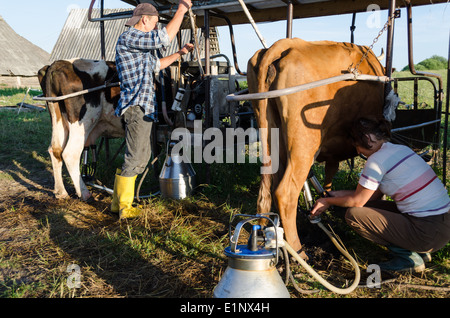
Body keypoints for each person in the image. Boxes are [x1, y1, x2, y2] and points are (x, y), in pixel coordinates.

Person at [310, 116, 450, 272]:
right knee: (370, 207)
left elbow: (357, 202)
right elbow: (369, 195)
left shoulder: (376, 161)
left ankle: (408, 257)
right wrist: (334, 195)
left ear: (368, 138)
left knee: (354, 214)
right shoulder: (400, 149)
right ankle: (419, 251)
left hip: (426, 232)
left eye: (357, 146)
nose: (358, 151)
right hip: (442, 225)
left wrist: (328, 202)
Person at [112, 1, 194, 219]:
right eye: (156, 22)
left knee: (142, 155)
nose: (157, 27)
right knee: (135, 156)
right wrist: (182, 9)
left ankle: (117, 202)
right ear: (145, 19)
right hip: (137, 106)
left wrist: (180, 53)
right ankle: (124, 207)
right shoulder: (130, 37)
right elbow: (163, 37)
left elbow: (156, 65)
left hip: (144, 106)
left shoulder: (139, 46)